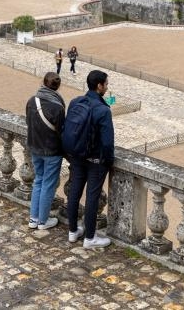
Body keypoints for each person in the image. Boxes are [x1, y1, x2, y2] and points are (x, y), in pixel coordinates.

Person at [64, 69, 116, 249]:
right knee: (92, 197)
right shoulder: (103, 110)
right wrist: (107, 161)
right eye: (106, 84)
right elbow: (108, 143)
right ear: (99, 86)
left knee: (74, 193)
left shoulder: (75, 102)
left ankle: (72, 232)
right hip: (95, 161)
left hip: (76, 156)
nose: (107, 88)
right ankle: (90, 237)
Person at [25, 72, 66, 230]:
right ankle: (43, 221)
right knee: (48, 184)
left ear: (43, 82)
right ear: (58, 87)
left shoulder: (31, 101)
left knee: (38, 182)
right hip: (52, 151)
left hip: (35, 147)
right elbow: (62, 132)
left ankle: (33, 218)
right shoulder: (58, 107)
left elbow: (29, 121)